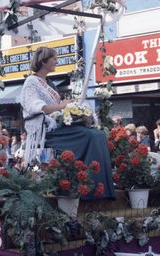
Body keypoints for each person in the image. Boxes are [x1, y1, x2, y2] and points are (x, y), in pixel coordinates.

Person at [21, 46, 115, 200]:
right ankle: (89, 190)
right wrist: (62, 106)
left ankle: (101, 189)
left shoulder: (49, 83)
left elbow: (59, 110)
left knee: (98, 134)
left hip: (59, 126)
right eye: (54, 59)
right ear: (44, 61)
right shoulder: (32, 82)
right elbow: (36, 107)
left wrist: (78, 114)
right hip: (46, 130)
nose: (56, 62)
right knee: (90, 136)